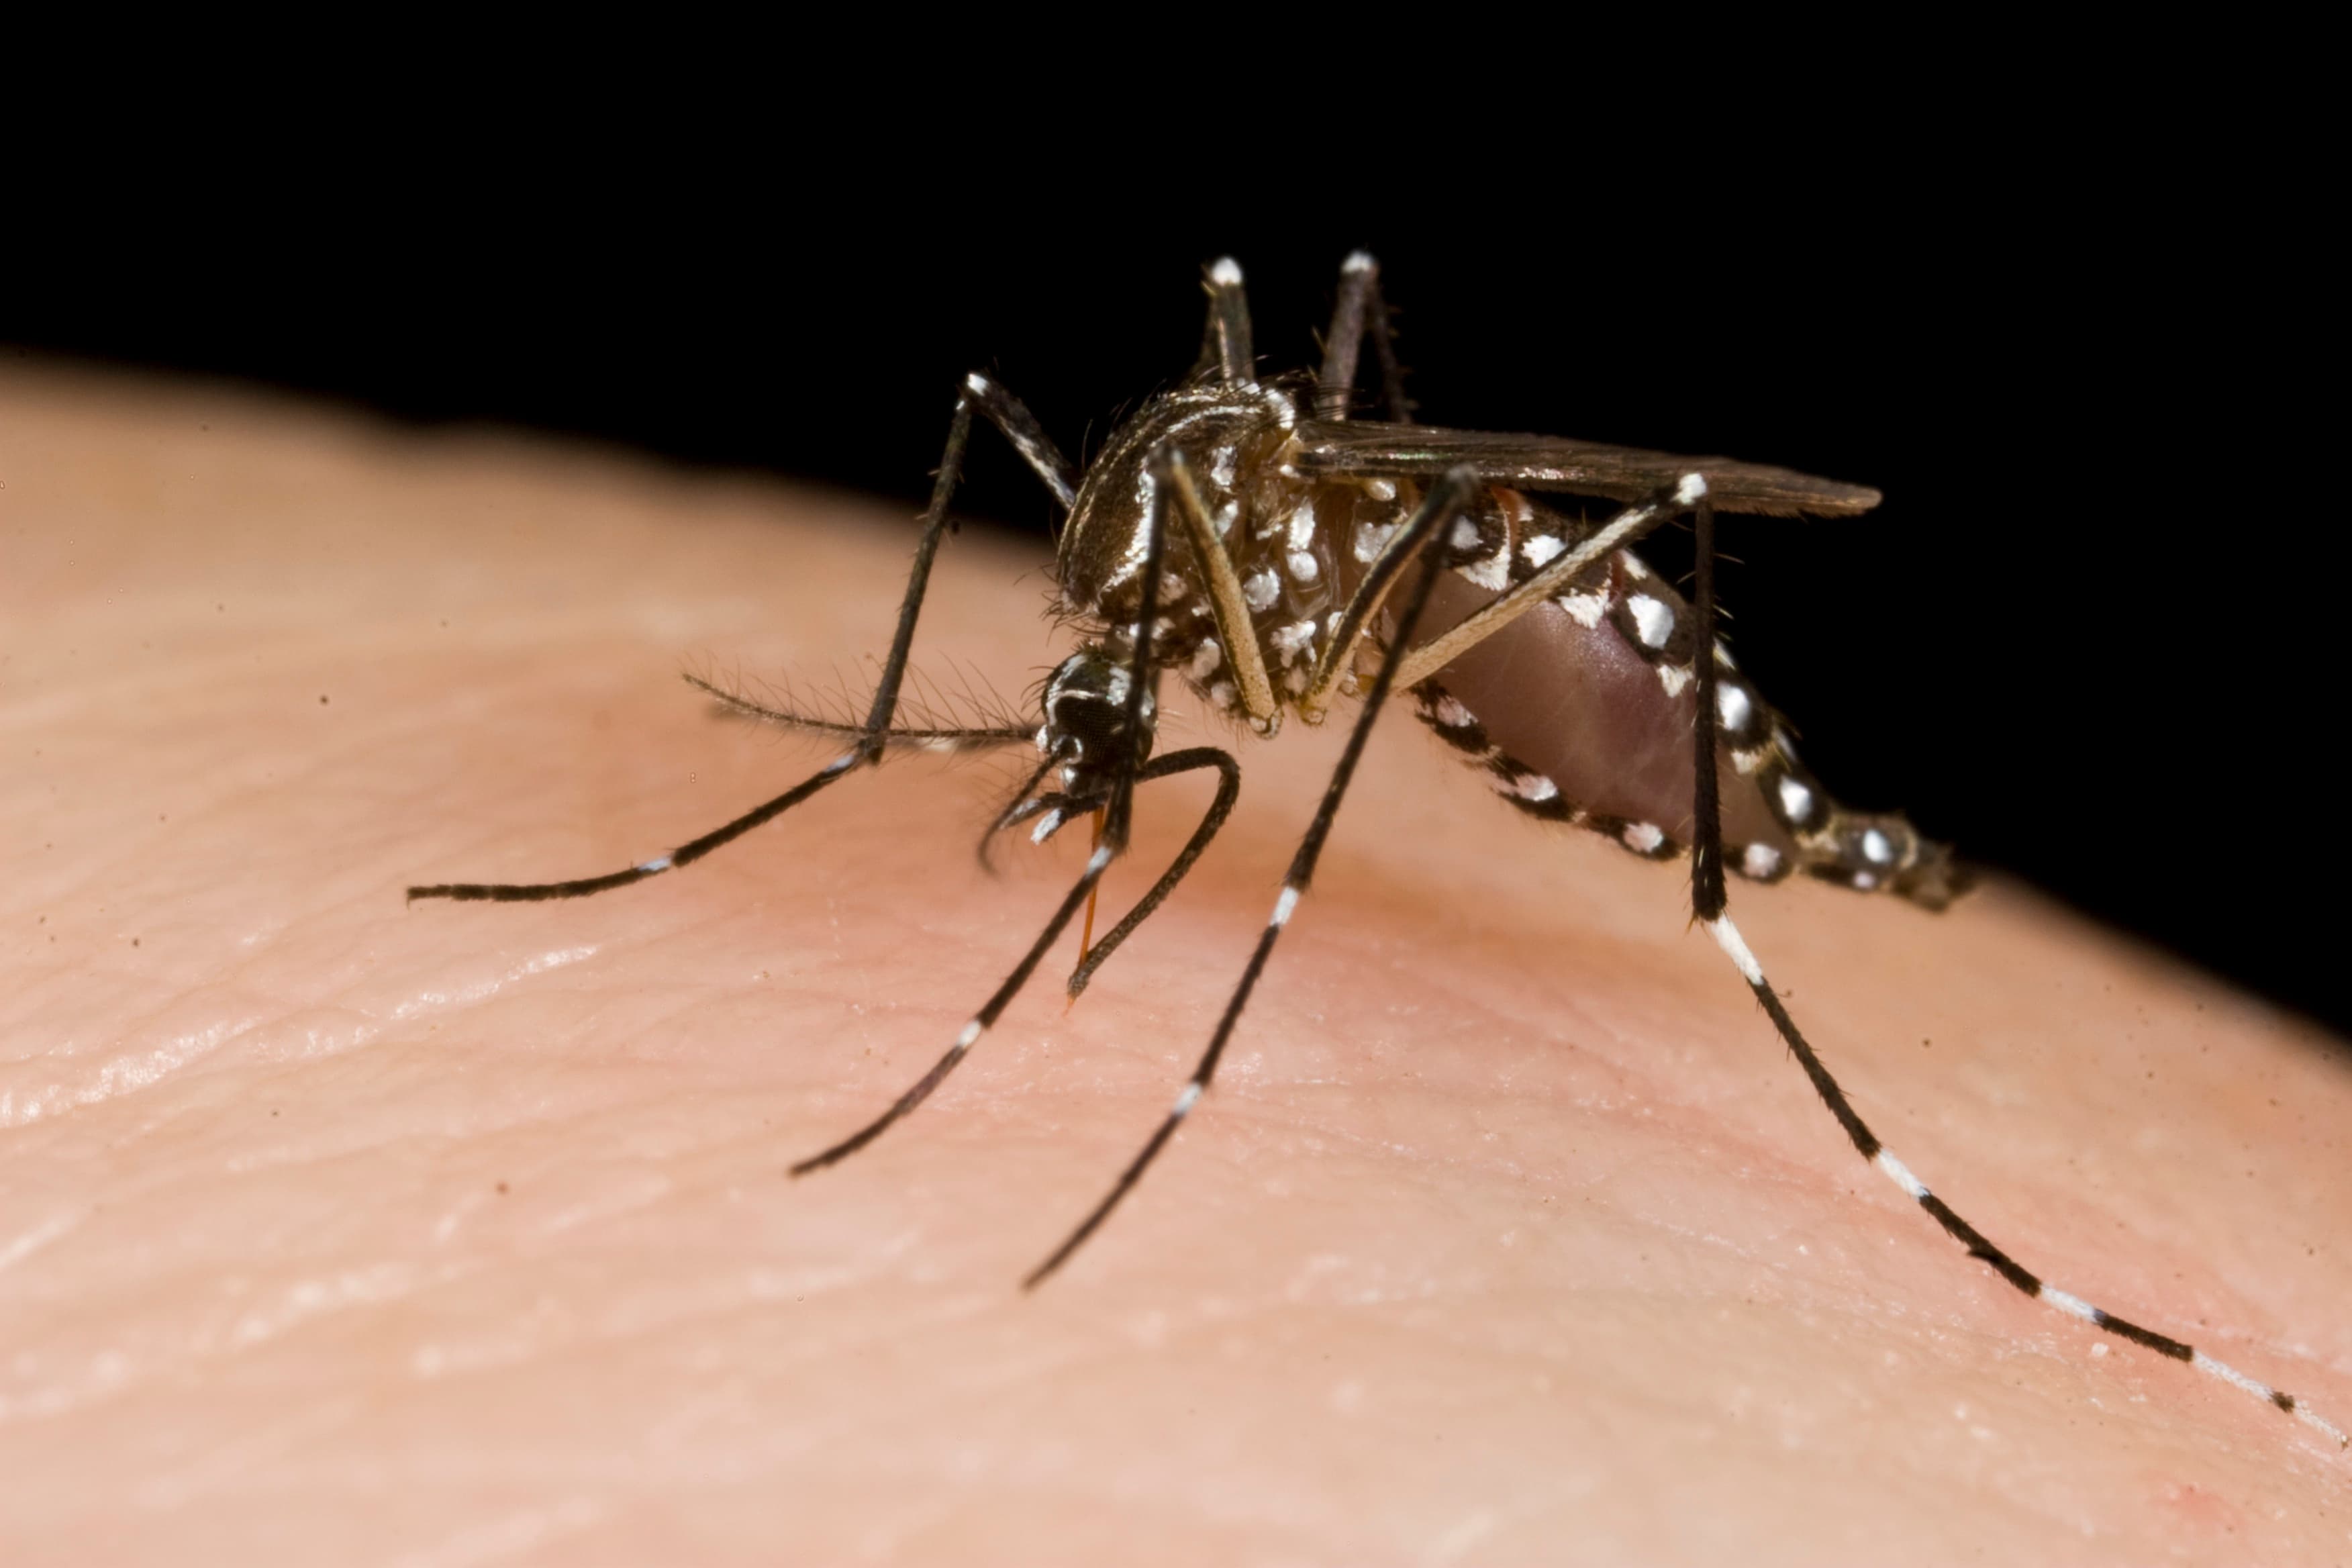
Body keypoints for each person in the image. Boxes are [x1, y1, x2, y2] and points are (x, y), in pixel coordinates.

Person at [5, 364, 2345, 1563]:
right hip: (1326, 571)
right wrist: (827, 774)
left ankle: (1750, 886)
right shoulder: (1120, 567)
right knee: (1034, 406)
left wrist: (1244, 978)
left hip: (1542, 610)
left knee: (1500, 509)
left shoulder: (1225, 589)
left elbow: (1344, 579)